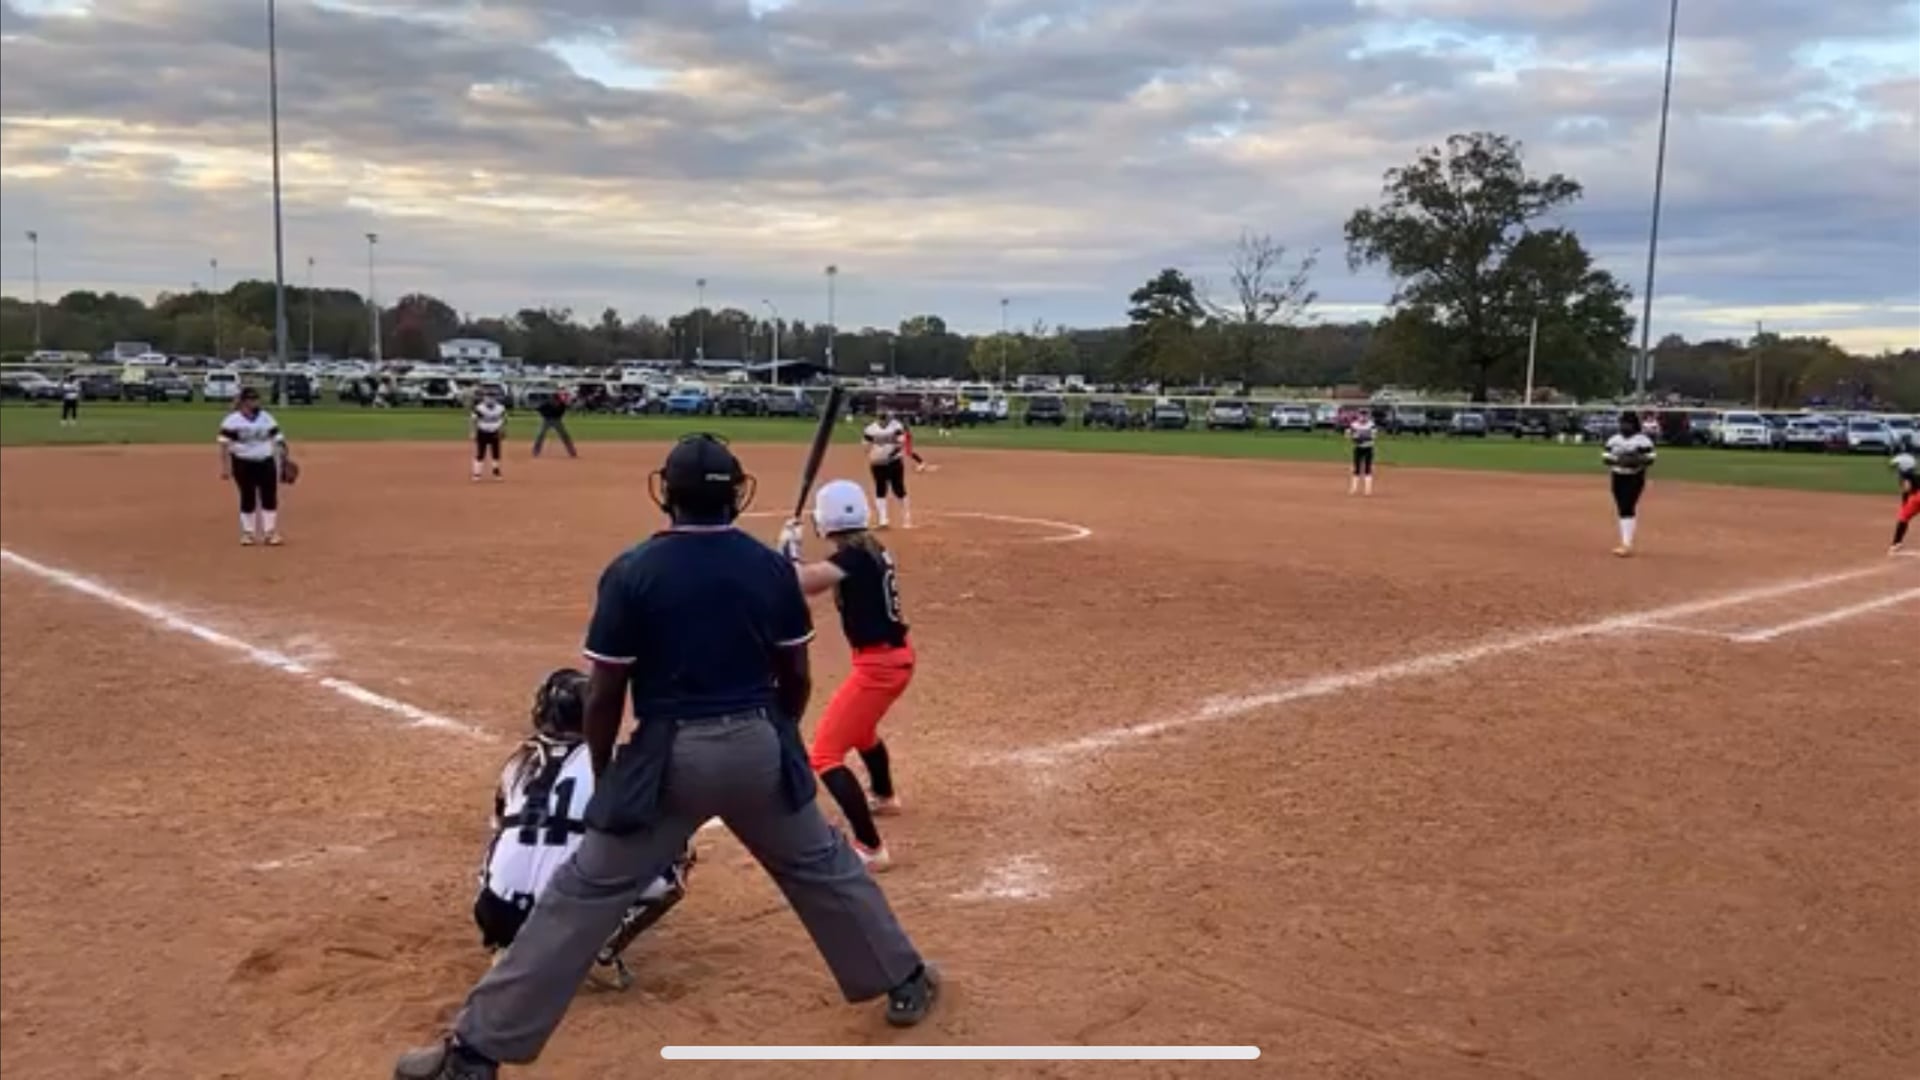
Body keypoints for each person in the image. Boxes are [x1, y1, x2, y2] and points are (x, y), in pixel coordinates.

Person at [394, 434, 938, 1080]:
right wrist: (777, 734)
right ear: (736, 496)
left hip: (669, 757)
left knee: (581, 896)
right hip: (757, 745)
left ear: (667, 495)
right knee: (821, 865)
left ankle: (474, 1053)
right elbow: (796, 676)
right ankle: (906, 978)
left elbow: (605, 694)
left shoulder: (634, 571)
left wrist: (606, 773)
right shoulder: (766, 569)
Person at [475, 669, 695, 991]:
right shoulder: (610, 763)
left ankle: (507, 946)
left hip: (497, 912)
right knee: (675, 857)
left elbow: (500, 822)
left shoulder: (517, 762)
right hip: (563, 918)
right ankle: (597, 952)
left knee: (505, 835)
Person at [778, 480, 914, 870]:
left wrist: (790, 551)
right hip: (892, 658)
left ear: (826, 520)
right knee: (861, 730)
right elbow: (816, 578)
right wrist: (792, 557)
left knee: (825, 755)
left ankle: (871, 848)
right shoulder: (869, 549)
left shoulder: (854, 557)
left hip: (879, 667)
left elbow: (804, 584)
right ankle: (884, 796)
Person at [218, 387, 291, 547]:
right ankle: (248, 533)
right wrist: (225, 467)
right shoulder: (232, 420)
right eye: (251, 399)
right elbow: (224, 444)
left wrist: (284, 458)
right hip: (242, 462)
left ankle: (269, 533)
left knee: (269, 496)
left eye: (256, 399)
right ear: (243, 402)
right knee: (247, 496)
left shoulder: (266, 417)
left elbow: (278, 438)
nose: (255, 402)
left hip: (265, 461)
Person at [1602, 410, 1658, 557]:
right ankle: (1625, 542)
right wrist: (1620, 460)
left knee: (1628, 506)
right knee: (1622, 507)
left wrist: (1636, 460)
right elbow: (1606, 457)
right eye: (1622, 423)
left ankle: (1626, 544)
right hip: (1617, 476)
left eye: (1627, 423)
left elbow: (1651, 458)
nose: (1624, 426)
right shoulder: (1614, 439)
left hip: (1635, 477)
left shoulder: (1643, 440)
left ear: (1634, 425)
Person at [863, 409, 911, 528]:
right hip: (878, 463)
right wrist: (872, 456)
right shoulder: (870, 429)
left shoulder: (896, 426)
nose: (883, 420)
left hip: (894, 462)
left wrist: (890, 455)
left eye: (885, 418)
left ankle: (906, 517)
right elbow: (866, 445)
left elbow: (901, 443)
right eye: (881, 418)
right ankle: (883, 520)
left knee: (898, 489)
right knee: (880, 489)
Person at [471, 389, 508, 482]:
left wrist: (503, 430)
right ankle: (477, 473)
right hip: (482, 431)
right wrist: (473, 432)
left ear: (495, 398)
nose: (490, 399)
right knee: (480, 453)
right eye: (488, 397)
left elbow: (504, 419)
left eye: (492, 397)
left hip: (495, 431)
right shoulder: (479, 408)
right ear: (484, 398)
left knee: (496, 453)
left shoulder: (500, 408)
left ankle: (496, 472)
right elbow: (474, 420)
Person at [532, 391, 577, 458]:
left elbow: (565, 410)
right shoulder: (546, 404)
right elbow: (538, 409)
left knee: (564, 435)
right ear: (553, 400)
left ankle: (572, 452)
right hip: (546, 420)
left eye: (558, 400)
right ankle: (536, 451)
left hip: (557, 421)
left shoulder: (562, 405)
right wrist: (544, 414)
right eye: (556, 400)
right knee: (540, 435)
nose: (557, 402)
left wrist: (572, 401)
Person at [1890, 451, 1918, 554]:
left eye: (1898, 465)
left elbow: (1907, 488)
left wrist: (1904, 502)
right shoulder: (1913, 474)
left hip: (1917, 497)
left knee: (1903, 517)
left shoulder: (1905, 475)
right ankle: (1897, 543)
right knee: (1905, 516)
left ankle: (1896, 543)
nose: (1897, 468)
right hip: (1917, 496)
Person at [1346, 409, 1377, 496]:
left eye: (1365, 415)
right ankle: (1354, 488)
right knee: (1356, 468)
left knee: (1368, 468)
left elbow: (1373, 436)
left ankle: (1368, 490)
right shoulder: (1354, 424)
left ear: (1367, 416)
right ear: (1359, 416)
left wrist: (1360, 438)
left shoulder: (1371, 425)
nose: (1363, 417)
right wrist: (1353, 438)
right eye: (1361, 415)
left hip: (1368, 448)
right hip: (1358, 448)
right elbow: (1348, 434)